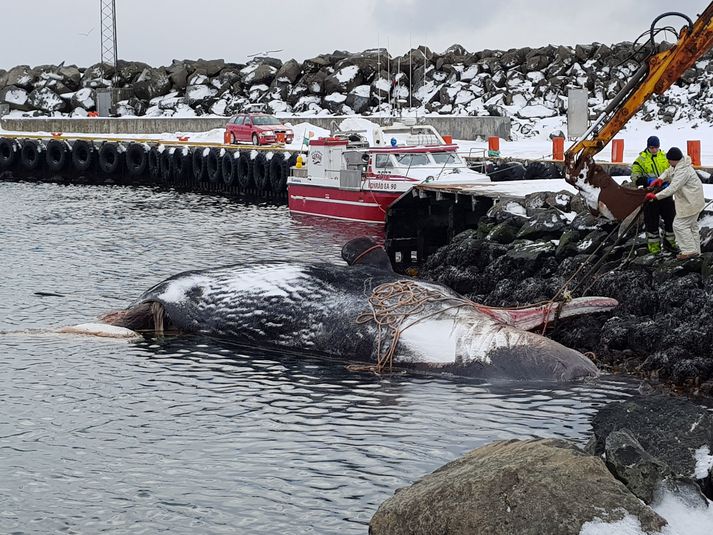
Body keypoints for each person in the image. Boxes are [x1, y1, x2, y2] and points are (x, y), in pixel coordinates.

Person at [645, 147, 705, 261]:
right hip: (695, 201)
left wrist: (656, 196)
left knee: (679, 225)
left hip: (690, 202)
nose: (668, 162)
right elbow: (669, 171)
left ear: (674, 160)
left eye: (669, 160)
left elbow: (673, 188)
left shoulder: (683, 171)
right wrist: (661, 179)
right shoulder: (680, 165)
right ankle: (697, 251)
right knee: (692, 227)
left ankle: (689, 251)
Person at [632, 136, 677, 254]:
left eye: (656, 147)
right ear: (648, 147)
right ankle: (654, 248)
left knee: (670, 218)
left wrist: (669, 183)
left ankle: (671, 243)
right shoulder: (640, 160)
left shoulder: (665, 157)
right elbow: (634, 177)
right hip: (650, 195)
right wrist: (645, 180)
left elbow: (672, 171)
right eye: (652, 147)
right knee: (652, 222)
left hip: (665, 193)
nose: (654, 150)